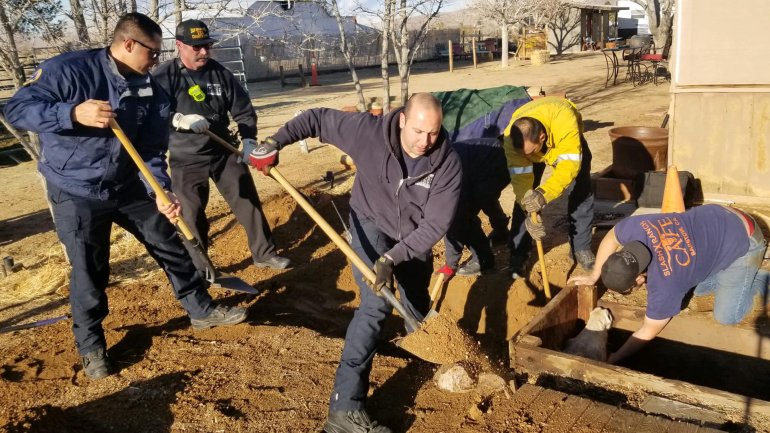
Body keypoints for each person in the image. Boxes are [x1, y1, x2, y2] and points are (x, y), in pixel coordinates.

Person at [3, 13, 247, 380]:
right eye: (152, 51)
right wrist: (71, 112)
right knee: (90, 269)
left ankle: (200, 309)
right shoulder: (69, 70)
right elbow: (15, 108)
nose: (156, 60)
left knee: (168, 242)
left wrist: (159, 189)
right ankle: (91, 346)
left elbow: (150, 148)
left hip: (127, 184)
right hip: (76, 189)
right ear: (129, 44)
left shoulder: (150, 87)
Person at [247, 93, 462, 433]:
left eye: (434, 133)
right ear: (403, 120)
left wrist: (393, 258)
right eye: (419, 131)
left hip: (412, 235)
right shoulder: (368, 132)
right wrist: (275, 142)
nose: (426, 142)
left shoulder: (447, 163)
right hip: (369, 223)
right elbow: (315, 118)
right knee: (375, 303)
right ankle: (344, 410)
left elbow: (435, 226)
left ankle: (423, 354)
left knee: (416, 297)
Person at [153, 19, 289, 271]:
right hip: (186, 157)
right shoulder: (164, 76)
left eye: (207, 45)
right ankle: (202, 269)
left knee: (247, 200)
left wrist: (248, 141)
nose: (204, 52)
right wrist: (178, 119)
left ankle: (264, 254)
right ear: (180, 46)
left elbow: (244, 111)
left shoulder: (220, 74)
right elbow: (151, 114)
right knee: (191, 215)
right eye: (197, 47)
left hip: (223, 151)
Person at [569, 204, 769, 364]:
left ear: (638, 279)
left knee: (727, 316)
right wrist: (594, 275)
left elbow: (648, 331)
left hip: (746, 237)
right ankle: (725, 270)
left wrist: (615, 357)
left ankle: (760, 278)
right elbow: (611, 239)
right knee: (697, 289)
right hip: (718, 214)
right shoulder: (636, 229)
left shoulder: (666, 284)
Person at [503, 96, 595, 279]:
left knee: (581, 191)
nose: (524, 157)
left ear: (542, 138)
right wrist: (529, 209)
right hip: (534, 143)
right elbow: (521, 183)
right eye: (521, 153)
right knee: (526, 199)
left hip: (564, 143)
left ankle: (581, 247)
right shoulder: (511, 139)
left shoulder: (564, 120)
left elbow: (569, 168)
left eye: (528, 153)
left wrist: (544, 194)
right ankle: (518, 255)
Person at [442, 137, 510, 276]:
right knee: (481, 196)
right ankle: (501, 230)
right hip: (485, 162)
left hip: (496, 163)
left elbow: (456, 221)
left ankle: (483, 259)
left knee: (464, 215)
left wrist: (450, 264)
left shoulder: (445, 177)